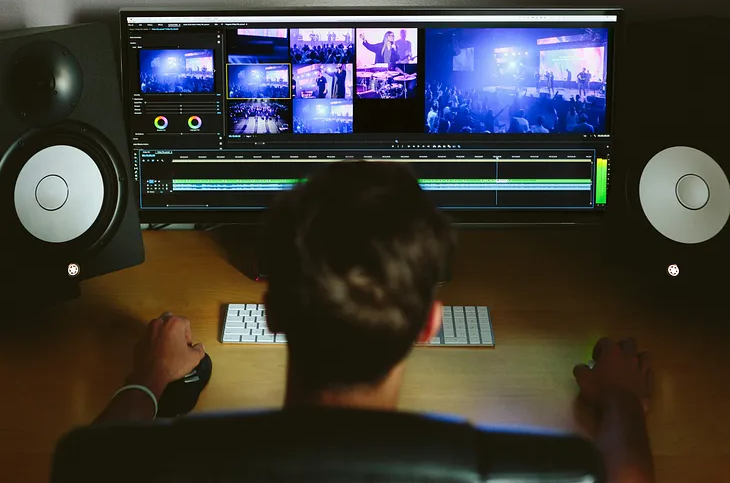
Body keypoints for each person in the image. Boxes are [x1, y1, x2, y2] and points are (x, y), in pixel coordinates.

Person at [94, 161, 655, 483]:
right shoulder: (527, 471)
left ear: (272, 312)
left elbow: (97, 460)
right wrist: (623, 401)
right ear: (429, 324)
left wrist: (146, 381)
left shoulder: (172, 466)